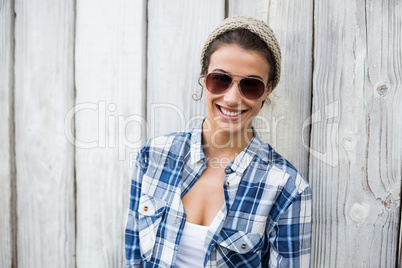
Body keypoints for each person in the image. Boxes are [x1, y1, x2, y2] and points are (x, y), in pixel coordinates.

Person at [125, 15, 312, 268]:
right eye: (221, 80)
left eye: (251, 86)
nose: (233, 98)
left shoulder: (287, 187)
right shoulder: (153, 156)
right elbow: (134, 257)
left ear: (267, 90)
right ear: (204, 78)